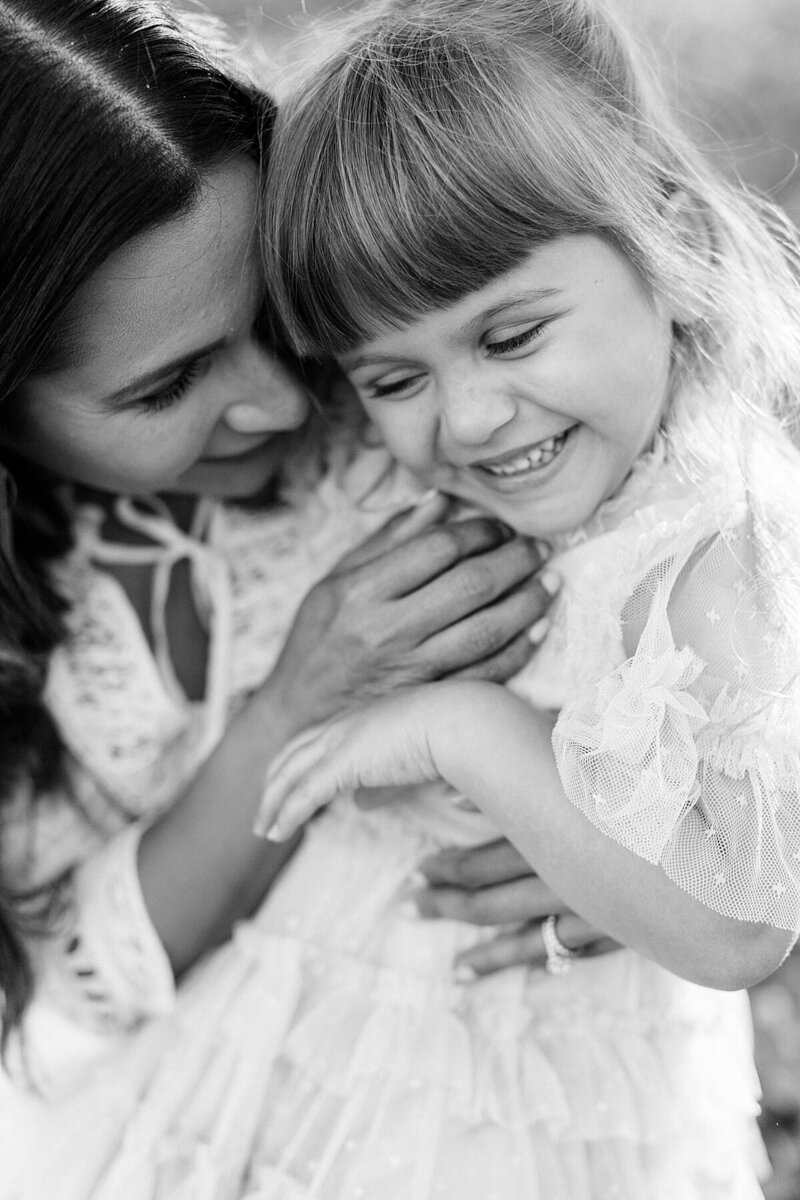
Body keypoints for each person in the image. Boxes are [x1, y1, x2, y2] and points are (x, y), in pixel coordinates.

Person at [0, 2, 585, 1195]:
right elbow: (46, 1015)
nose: (277, 399)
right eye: (169, 386)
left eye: (274, 311)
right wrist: (292, 706)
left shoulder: (422, 398)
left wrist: (643, 851)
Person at [253, 0, 800, 1194]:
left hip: (550, 1124)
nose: (464, 418)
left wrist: (465, 733)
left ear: (669, 245)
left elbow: (741, 925)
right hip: (365, 1069)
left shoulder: (713, 543)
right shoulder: (537, 490)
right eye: (394, 376)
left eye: (509, 336)